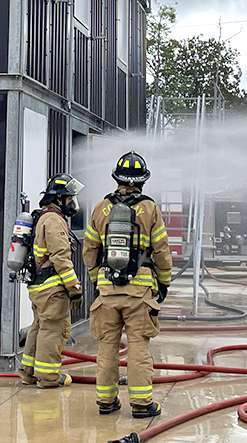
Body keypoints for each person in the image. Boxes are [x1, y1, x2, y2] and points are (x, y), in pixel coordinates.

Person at [82, 151, 172, 418]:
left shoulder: (100, 208)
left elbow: (89, 249)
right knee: (139, 346)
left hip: (107, 291)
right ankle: (142, 404)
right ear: (142, 181)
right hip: (139, 291)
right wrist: (163, 282)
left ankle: (106, 402)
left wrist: (98, 279)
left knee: (107, 346)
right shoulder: (149, 209)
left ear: (117, 178)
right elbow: (161, 250)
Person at [18, 173, 85, 388]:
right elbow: (60, 258)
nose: (72, 203)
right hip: (52, 289)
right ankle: (48, 377)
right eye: (69, 198)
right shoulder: (54, 220)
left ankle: (28, 372)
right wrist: (74, 288)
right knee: (53, 330)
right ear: (59, 199)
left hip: (39, 287)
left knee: (38, 327)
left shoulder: (43, 217)